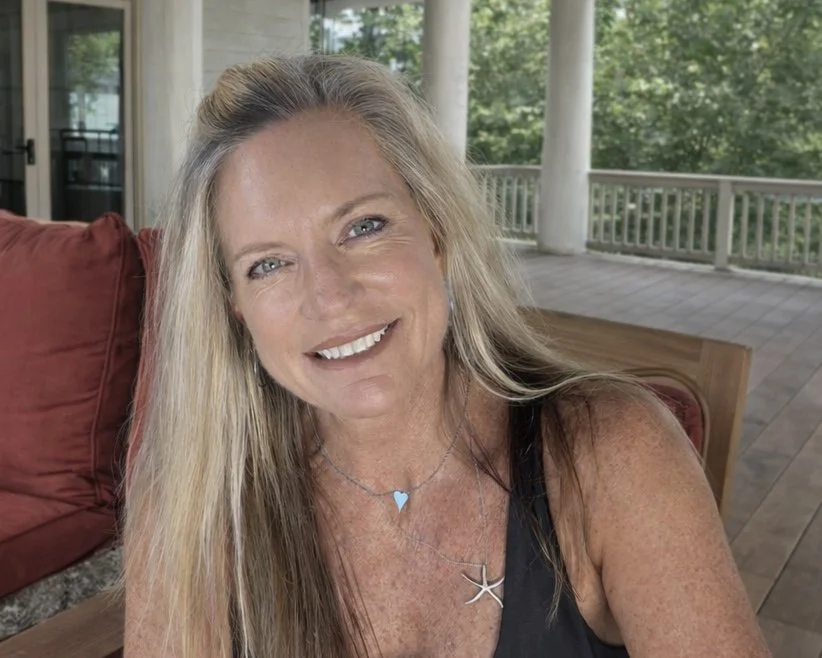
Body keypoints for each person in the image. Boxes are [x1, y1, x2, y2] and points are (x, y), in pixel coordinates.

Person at [123, 54, 770, 658]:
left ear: (436, 233)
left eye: (363, 227)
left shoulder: (611, 453)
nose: (331, 299)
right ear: (234, 307)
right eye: (267, 264)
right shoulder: (196, 504)